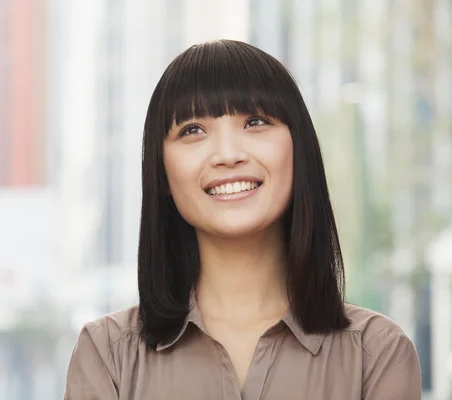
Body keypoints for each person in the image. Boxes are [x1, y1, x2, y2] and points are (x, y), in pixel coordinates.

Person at [64, 39, 422, 399]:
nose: (228, 154)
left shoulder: (376, 355)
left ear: (300, 151)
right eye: (192, 130)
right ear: (161, 174)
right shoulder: (108, 355)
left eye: (255, 121)